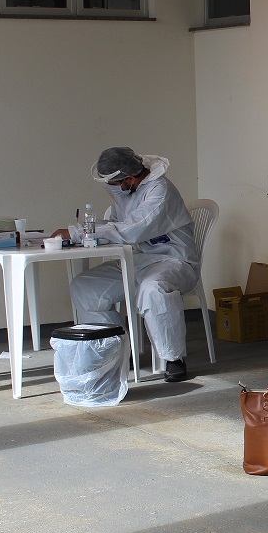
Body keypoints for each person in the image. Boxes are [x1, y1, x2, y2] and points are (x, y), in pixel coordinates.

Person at [54, 148, 200, 383]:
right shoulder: (128, 192)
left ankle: (173, 359)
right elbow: (116, 225)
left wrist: (78, 233)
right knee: (85, 286)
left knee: (153, 289)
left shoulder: (159, 191)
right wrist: (86, 231)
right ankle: (115, 350)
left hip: (174, 260)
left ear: (130, 178)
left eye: (119, 183)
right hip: (138, 260)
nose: (117, 189)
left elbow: (132, 229)